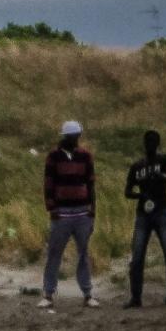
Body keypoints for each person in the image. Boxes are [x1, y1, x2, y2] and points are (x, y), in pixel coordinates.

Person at [41, 120, 98, 309]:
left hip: (82, 211)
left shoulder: (85, 156)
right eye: (74, 137)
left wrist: (92, 210)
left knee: (83, 253)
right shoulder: (54, 157)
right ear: (67, 137)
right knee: (54, 253)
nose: (76, 140)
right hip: (62, 212)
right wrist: (52, 208)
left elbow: (91, 183)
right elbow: (49, 183)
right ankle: (48, 293)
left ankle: (88, 294)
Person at [123, 130, 166, 308]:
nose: (150, 145)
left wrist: (161, 176)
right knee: (138, 256)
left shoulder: (165, 160)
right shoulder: (136, 166)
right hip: (143, 213)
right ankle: (135, 297)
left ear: (157, 143)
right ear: (144, 143)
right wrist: (139, 196)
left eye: (153, 142)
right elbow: (127, 191)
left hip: (161, 211)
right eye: (148, 141)